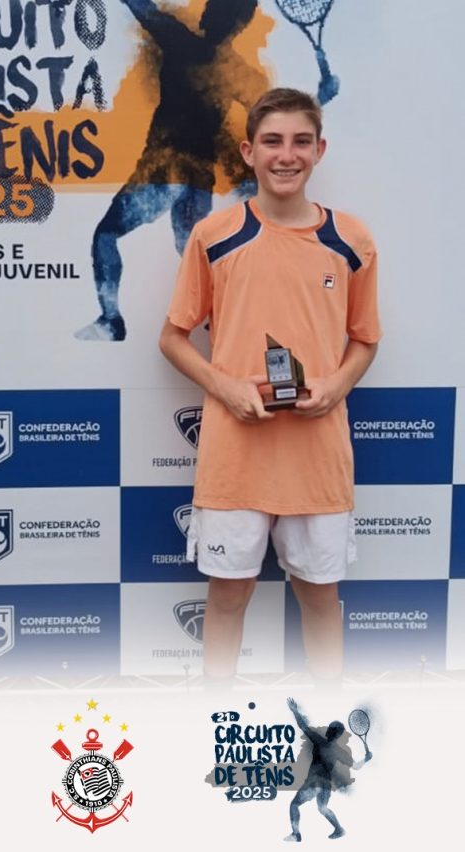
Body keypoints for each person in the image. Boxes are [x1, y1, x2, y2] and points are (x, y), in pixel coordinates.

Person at [159, 88, 381, 685]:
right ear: (248, 152)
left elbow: (365, 339)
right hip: (236, 458)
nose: (287, 155)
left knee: (320, 599)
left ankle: (329, 723)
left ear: (319, 150)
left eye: (301, 142)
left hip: (317, 458)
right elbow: (173, 338)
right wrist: (227, 388)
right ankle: (215, 718)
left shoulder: (352, 240)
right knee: (229, 597)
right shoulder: (215, 235)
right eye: (273, 142)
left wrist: (335, 385)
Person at [76, 0, 269, 341]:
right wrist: (322, 96)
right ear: (241, 26)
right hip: (199, 181)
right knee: (194, 255)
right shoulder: (238, 73)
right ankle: (223, 318)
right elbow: (284, 114)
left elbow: (142, 7)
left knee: (106, 234)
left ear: (208, 15)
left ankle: (111, 321)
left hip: (164, 170)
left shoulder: (179, 39)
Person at [284, 697, 370, 841]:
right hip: (325, 786)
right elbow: (356, 766)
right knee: (322, 808)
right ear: (339, 735)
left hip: (314, 782)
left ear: (330, 732)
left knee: (294, 804)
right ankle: (339, 829)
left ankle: (296, 834)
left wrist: (295, 711)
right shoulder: (340, 752)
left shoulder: (320, 741)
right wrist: (366, 759)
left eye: (329, 728)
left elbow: (303, 726)